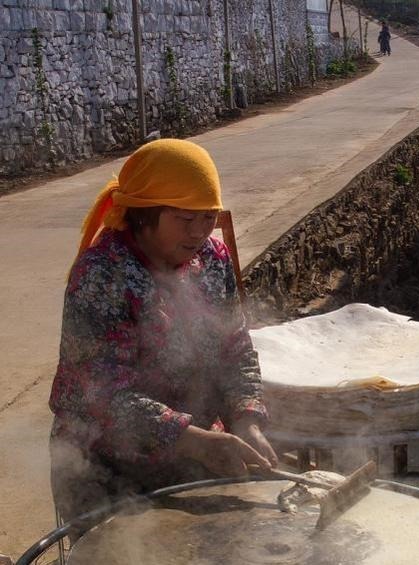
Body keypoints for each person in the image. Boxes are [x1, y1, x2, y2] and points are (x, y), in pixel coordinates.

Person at [48, 139, 277, 535]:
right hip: (106, 467)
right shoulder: (104, 274)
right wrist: (194, 440)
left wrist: (246, 418)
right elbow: (103, 394)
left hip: (193, 457)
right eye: (184, 220)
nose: (199, 232)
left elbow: (234, 348)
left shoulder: (212, 259)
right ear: (143, 214)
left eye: (207, 218)